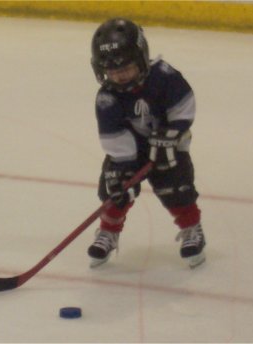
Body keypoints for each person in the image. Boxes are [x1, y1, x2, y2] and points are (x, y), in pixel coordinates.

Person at [88, 18, 206, 269]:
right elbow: (113, 136)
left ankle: (192, 229)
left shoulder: (165, 77)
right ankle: (108, 232)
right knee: (114, 187)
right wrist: (124, 171)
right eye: (112, 70)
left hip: (170, 144)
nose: (119, 75)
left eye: (125, 68)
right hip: (130, 149)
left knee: (175, 186)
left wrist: (172, 134)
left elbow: (184, 107)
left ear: (142, 59)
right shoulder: (107, 98)